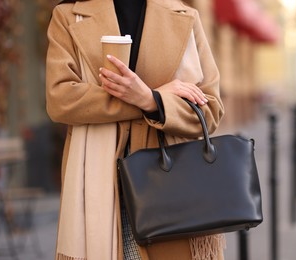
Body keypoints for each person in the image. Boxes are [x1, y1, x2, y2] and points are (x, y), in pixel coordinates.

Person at [46, 0, 225, 259]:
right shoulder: (68, 15)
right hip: (100, 188)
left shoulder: (185, 16)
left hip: (172, 187)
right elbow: (60, 98)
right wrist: (143, 100)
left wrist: (152, 101)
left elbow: (210, 110)